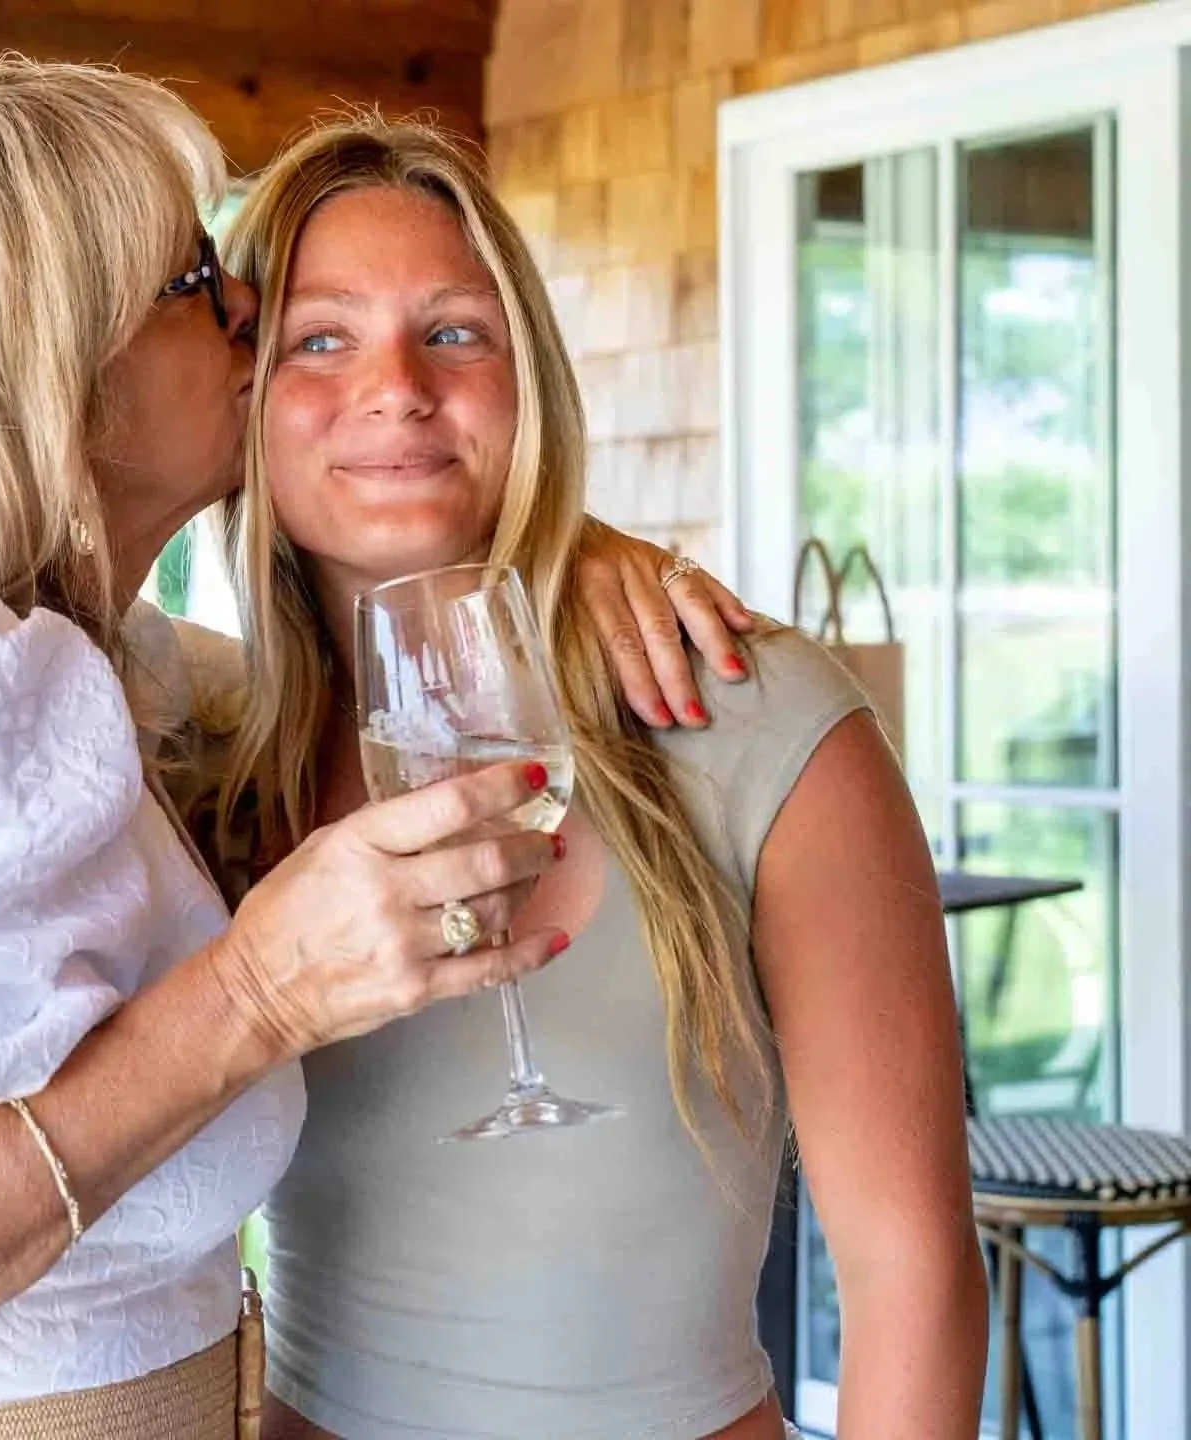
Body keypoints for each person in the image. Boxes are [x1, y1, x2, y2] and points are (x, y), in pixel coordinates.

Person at [0, 58, 762, 1437]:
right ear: (55, 365)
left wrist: (559, 560)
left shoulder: (99, 668)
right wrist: (259, 994)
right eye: (189, 277)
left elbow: (377, 668)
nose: (249, 311)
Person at [201, 115, 989, 1440]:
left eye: (455, 330)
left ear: (533, 384)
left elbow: (914, 1281)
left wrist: (564, 548)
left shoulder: (751, 718)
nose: (396, 386)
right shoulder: (203, 757)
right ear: (242, 398)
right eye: (320, 338)